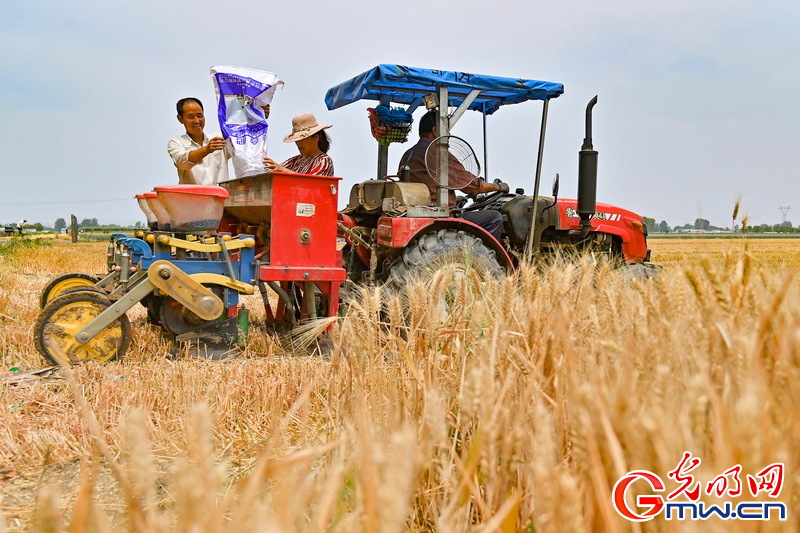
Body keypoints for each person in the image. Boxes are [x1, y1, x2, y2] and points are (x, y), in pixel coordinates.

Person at [398, 111, 504, 239]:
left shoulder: (408, 154)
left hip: (419, 212)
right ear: (436, 130)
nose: (448, 135)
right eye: (446, 130)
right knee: (494, 217)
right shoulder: (438, 154)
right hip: (440, 216)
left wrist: (453, 198)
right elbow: (471, 185)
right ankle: (482, 257)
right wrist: (498, 187)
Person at [167, 97, 231, 185]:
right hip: (194, 198)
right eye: (191, 117)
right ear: (180, 119)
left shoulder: (219, 138)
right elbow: (182, 162)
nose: (197, 121)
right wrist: (206, 150)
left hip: (222, 197)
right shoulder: (176, 144)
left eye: (199, 115)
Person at [263, 113, 334, 176]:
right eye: (297, 140)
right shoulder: (294, 161)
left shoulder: (324, 161)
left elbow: (312, 184)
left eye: (303, 139)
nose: (298, 143)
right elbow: (275, 170)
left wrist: (284, 171)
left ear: (316, 137)